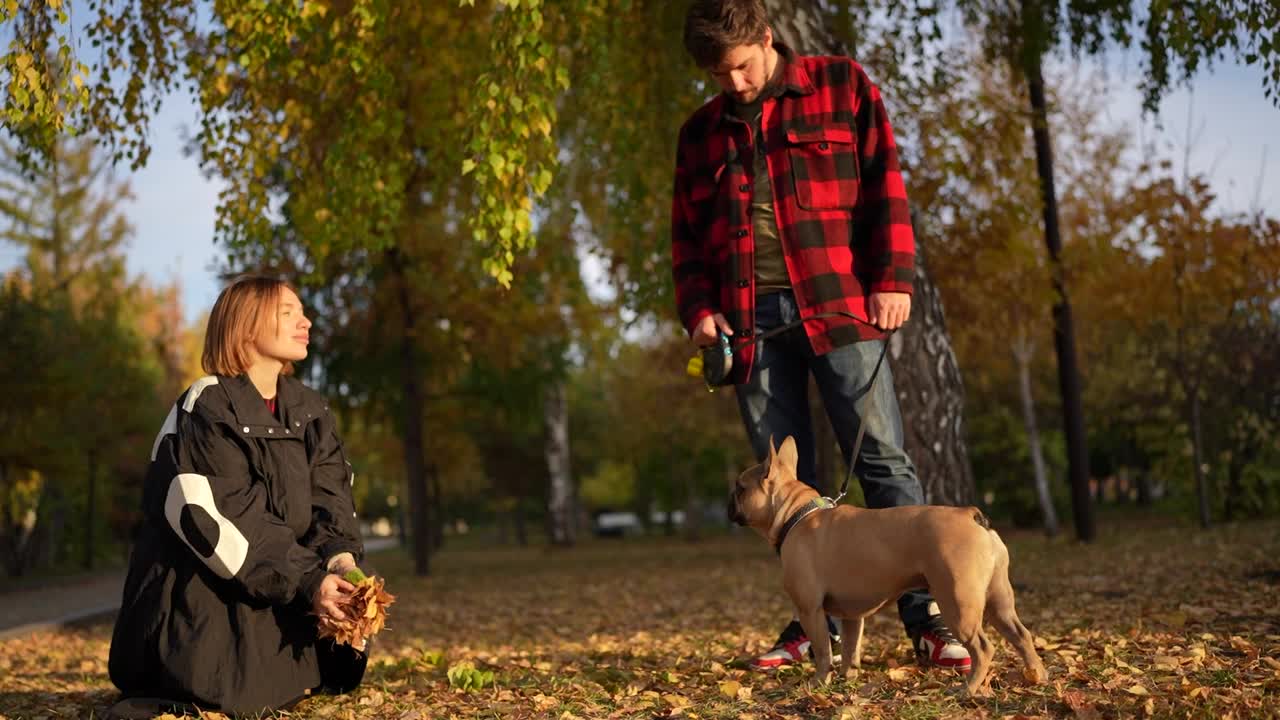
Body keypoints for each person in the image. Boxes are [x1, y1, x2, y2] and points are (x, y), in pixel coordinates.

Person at [671, 0, 971, 672]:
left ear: (766, 39)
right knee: (782, 484)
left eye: (743, 68)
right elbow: (687, 244)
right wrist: (698, 314)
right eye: (721, 76)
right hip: (749, 329)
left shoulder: (844, 87)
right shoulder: (699, 135)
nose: (736, 85)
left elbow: (885, 188)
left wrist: (893, 277)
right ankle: (815, 627)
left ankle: (929, 621)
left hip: (839, 308)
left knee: (884, 462)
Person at [108, 274, 369, 717]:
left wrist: (343, 570)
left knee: (323, 663)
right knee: (229, 690)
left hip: (282, 587)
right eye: (288, 313)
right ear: (246, 325)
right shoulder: (205, 405)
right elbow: (227, 520)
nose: (306, 321)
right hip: (204, 598)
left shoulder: (310, 408)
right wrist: (310, 583)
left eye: (303, 312)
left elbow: (333, 499)